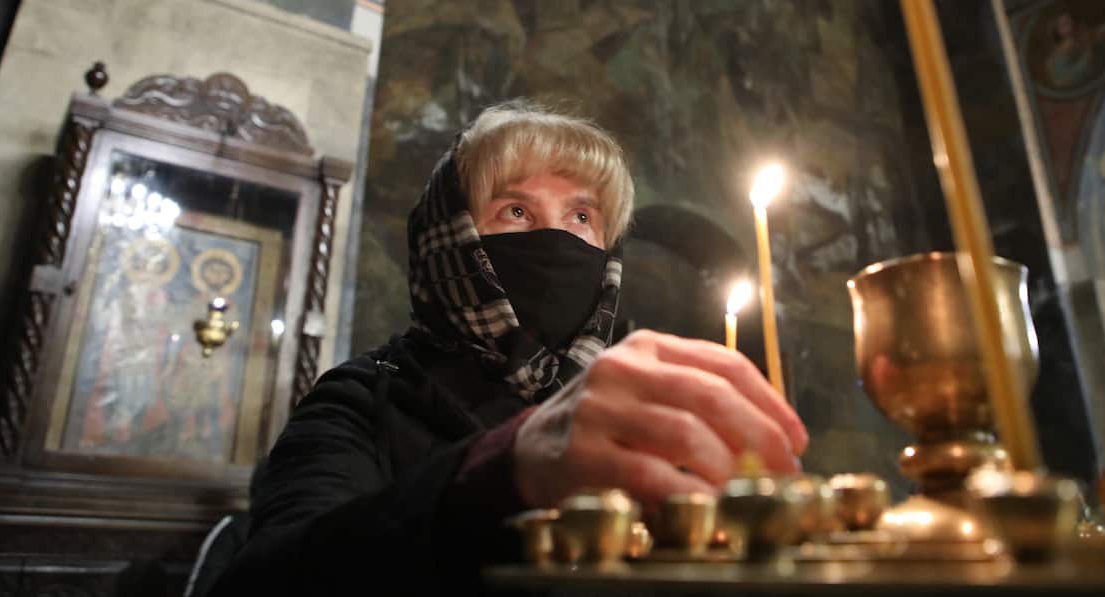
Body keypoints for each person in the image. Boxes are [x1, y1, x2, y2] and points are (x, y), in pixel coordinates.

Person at [208, 102, 807, 594]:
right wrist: (507, 468)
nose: (553, 236)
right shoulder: (361, 398)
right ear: (452, 240)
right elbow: (268, 578)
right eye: (516, 210)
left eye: (580, 216)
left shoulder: (653, 397)